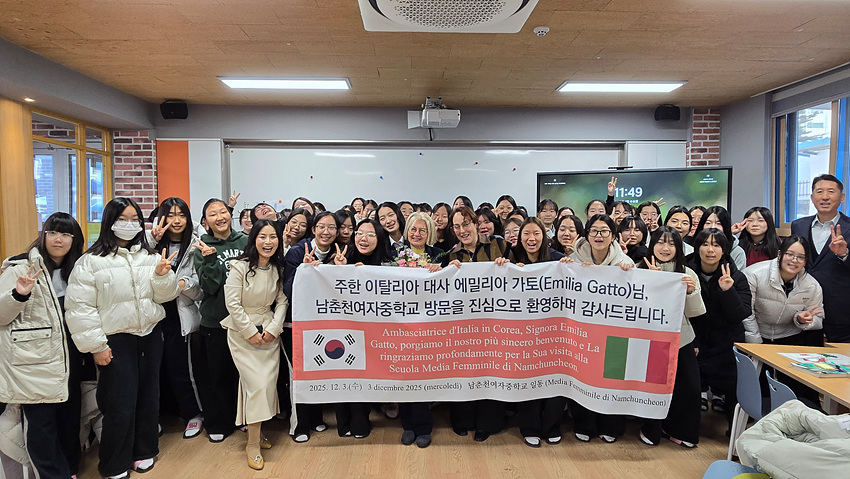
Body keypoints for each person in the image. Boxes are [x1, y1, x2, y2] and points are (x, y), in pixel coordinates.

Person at [66, 197, 179, 478]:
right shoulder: (90, 262)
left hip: (149, 335)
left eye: (134, 220)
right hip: (114, 341)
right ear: (109, 222)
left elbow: (166, 296)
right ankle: (114, 463)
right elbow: (80, 308)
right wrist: (96, 346)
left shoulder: (150, 257)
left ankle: (143, 450)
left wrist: (162, 275)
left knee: (148, 397)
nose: (129, 225)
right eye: (122, 219)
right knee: (118, 402)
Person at [0, 213, 85, 479]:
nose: (58, 239)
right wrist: (19, 293)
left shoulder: (78, 269)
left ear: (74, 240)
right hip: (34, 360)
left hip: (70, 355)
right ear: (43, 235)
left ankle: (69, 468)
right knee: (41, 425)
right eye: (53, 233)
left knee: (70, 416)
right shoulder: (19, 268)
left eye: (66, 234)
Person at [221, 219, 288, 470]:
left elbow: (282, 301)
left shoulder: (277, 268)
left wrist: (274, 328)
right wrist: (249, 332)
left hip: (269, 333)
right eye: (262, 237)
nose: (268, 242)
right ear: (253, 239)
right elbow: (232, 304)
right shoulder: (238, 266)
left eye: (273, 237)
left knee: (264, 387)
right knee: (257, 386)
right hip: (242, 335)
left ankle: (256, 433)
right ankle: (252, 444)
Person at [443, 206, 511, 442]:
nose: (462, 230)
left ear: (475, 223)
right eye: (456, 227)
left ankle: (487, 424)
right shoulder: (452, 255)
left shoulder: (500, 245)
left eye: (466, 224)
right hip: (465, 326)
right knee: (465, 370)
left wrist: (508, 266)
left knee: (490, 371)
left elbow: (518, 275)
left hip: (495, 324)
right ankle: (462, 420)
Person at [568, 214, 633, 443]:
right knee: (583, 376)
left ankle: (610, 425)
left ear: (613, 236)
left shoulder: (624, 262)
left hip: (613, 332)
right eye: (594, 231)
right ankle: (584, 425)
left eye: (604, 231)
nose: (598, 235)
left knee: (611, 378)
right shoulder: (573, 261)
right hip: (583, 331)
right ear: (586, 235)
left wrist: (628, 274)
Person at [638, 227, 706, 448]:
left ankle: (681, 431)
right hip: (648, 340)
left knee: (689, 387)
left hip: (681, 339)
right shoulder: (640, 269)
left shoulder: (687, 273)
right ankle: (650, 429)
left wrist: (691, 292)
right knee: (652, 386)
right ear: (652, 245)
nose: (665, 248)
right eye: (660, 242)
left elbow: (696, 312)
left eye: (671, 243)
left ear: (678, 248)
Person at [193, 198, 249, 444]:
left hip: (245, 321)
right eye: (213, 214)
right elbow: (209, 286)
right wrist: (210, 260)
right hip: (215, 322)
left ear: (230, 214)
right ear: (206, 222)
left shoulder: (245, 241)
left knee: (243, 374)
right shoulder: (202, 246)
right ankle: (218, 422)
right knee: (216, 376)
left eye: (223, 211)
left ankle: (244, 418)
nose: (219, 217)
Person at [511, 217, 570, 447]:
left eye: (536, 233)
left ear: (544, 236)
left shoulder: (557, 260)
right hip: (524, 334)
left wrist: (573, 267)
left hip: (554, 333)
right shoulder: (513, 259)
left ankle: (552, 426)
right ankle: (530, 428)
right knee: (528, 379)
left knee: (555, 380)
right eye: (526, 234)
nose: (531, 238)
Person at [333, 219, 394, 438]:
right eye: (359, 233)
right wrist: (341, 271)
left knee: (363, 377)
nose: (363, 238)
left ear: (379, 238)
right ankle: (343, 423)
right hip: (345, 329)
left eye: (370, 234)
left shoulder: (389, 264)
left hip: (375, 333)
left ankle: (360, 421)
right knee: (344, 374)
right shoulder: (343, 258)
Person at [283, 212, 340, 442]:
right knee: (299, 374)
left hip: (323, 325)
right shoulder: (298, 252)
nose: (326, 232)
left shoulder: (338, 253)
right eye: (321, 227)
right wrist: (303, 270)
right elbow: (287, 290)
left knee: (318, 370)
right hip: (296, 324)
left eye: (331, 227)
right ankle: (299, 425)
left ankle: (316, 417)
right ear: (314, 229)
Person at [150, 198, 205, 440]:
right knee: (153, 369)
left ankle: (193, 413)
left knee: (180, 367)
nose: (176, 220)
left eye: (181, 215)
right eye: (171, 215)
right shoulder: (148, 245)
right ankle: (154, 416)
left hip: (179, 312)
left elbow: (200, 288)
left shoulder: (195, 244)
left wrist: (184, 284)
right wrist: (151, 240)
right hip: (152, 313)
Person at [687, 228, 751, 422]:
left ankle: (734, 432)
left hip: (726, 344)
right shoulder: (686, 273)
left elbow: (741, 314)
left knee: (733, 391)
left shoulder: (736, 276)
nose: (710, 250)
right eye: (705, 244)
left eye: (716, 245)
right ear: (697, 247)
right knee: (687, 389)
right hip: (695, 342)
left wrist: (728, 291)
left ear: (724, 250)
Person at [790, 174, 850, 342]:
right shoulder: (798, 225)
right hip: (804, 308)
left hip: (841, 311)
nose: (825, 197)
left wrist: (844, 254)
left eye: (831, 191)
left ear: (842, 197)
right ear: (812, 197)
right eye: (819, 192)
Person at [695, 206, 746, 270]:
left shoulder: (737, 252)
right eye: (708, 223)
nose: (713, 227)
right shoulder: (692, 246)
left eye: (718, 223)